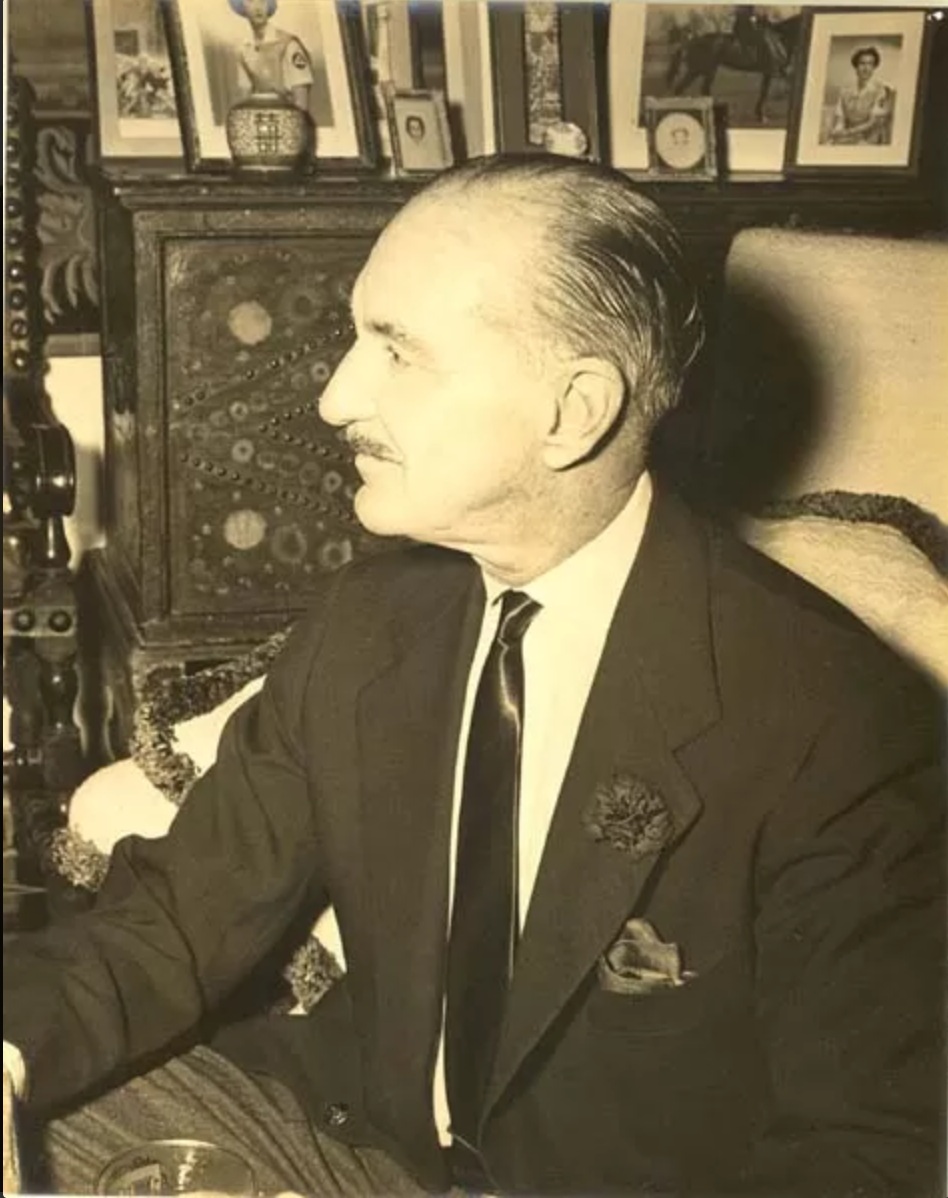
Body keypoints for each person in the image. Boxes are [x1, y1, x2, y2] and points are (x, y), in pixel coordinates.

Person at [3, 156, 944, 1197]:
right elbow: (176, 921)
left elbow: (869, 1151)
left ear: (573, 411)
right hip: (360, 1142)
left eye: (398, 352)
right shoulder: (372, 621)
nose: (334, 397)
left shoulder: (837, 721)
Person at [232, 0, 314, 112]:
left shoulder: (288, 44)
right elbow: (245, 100)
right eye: (251, 1)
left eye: (262, 1)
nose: (258, 8)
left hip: (288, 116)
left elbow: (302, 103)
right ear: (242, 6)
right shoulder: (244, 49)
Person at [828, 45, 894, 145]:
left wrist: (847, 133)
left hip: (869, 138)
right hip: (847, 136)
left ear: (874, 67)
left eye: (870, 64)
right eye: (862, 63)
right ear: (856, 66)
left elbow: (873, 123)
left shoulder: (880, 90)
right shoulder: (845, 91)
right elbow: (840, 118)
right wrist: (838, 130)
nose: (866, 68)